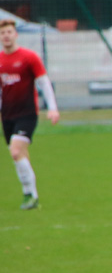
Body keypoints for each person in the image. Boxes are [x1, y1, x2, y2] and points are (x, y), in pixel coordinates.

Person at [0, 19, 60, 210]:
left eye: (9, 32)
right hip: (7, 115)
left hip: (27, 114)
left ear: (15, 34)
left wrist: (52, 108)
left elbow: (44, 83)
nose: (6, 36)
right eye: (2, 33)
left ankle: (29, 195)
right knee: (19, 155)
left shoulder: (29, 57)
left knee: (16, 151)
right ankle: (32, 196)